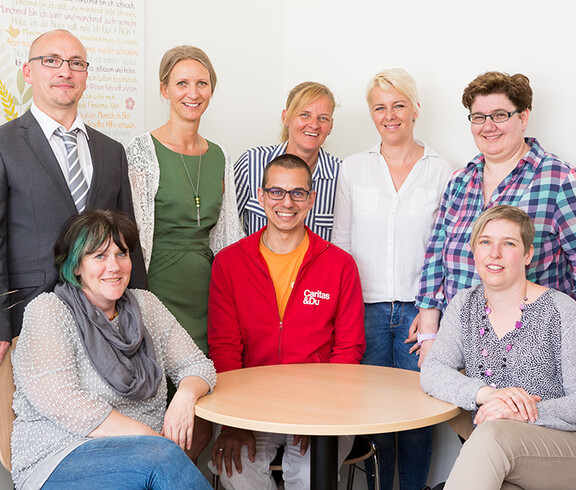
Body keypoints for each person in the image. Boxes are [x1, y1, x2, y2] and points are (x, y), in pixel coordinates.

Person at [10, 210, 216, 489]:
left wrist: (185, 396)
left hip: (144, 455)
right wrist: (150, 438)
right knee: (162, 459)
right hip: (60, 456)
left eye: (122, 254)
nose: (114, 266)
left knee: (160, 460)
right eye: (99, 256)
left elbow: (198, 365)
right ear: (75, 266)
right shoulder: (49, 310)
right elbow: (63, 401)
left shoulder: (146, 305)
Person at [208, 154, 365, 489]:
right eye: (276, 192)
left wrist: (323, 414)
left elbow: (349, 349)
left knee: (309, 475)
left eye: (297, 193)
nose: (286, 202)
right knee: (236, 470)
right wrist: (234, 421)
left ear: (310, 199)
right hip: (253, 405)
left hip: (323, 405)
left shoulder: (340, 265)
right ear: (261, 197)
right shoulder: (229, 263)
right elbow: (224, 347)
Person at [332, 68, 456, 490]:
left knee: (418, 416)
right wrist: (341, 313)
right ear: (371, 114)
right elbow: (341, 246)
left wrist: (432, 311)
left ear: (415, 108)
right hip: (362, 311)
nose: (390, 115)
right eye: (380, 107)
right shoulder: (352, 169)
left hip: (419, 313)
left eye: (399, 105)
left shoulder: (444, 171)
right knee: (376, 417)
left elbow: (445, 251)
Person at [0, 29, 147, 365]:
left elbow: (129, 242)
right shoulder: (4, 145)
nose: (64, 71)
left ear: (85, 75)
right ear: (28, 71)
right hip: (26, 315)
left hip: (106, 320)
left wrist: (140, 311)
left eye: (76, 63)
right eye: (51, 61)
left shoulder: (112, 151)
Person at [415, 71, 576, 366]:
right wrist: (429, 337)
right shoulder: (460, 181)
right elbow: (435, 260)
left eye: (499, 115)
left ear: (524, 117)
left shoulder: (559, 179)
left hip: (534, 351)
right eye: (478, 117)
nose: (488, 126)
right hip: (460, 346)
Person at [421, 205, 576, 489]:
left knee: (493, 435)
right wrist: (487, 394)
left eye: (508, 243)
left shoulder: (562, 311)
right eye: (485, 242)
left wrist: (519, 413)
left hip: (564, 448)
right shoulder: (464, 305)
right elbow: (433, 369)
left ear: (528, 254)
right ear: (474, 250)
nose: (495, 254)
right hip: (504, 453)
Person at [127, 45, 243, 357]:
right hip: (155, 288)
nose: (192, 93)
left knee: (207, 383)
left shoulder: (221, 156)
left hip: (208, 293)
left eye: (201, 83)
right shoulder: (141, 152)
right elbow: (131, 235)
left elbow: (228, 238)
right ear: (164, 90)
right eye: (182, 83)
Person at [234, 81, 340, 241]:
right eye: (305, 115)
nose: (314, 124)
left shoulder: (342, 175)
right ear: (286, 117)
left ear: (331, 126)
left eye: (323, 118)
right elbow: (225, 227)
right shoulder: (251, 162)